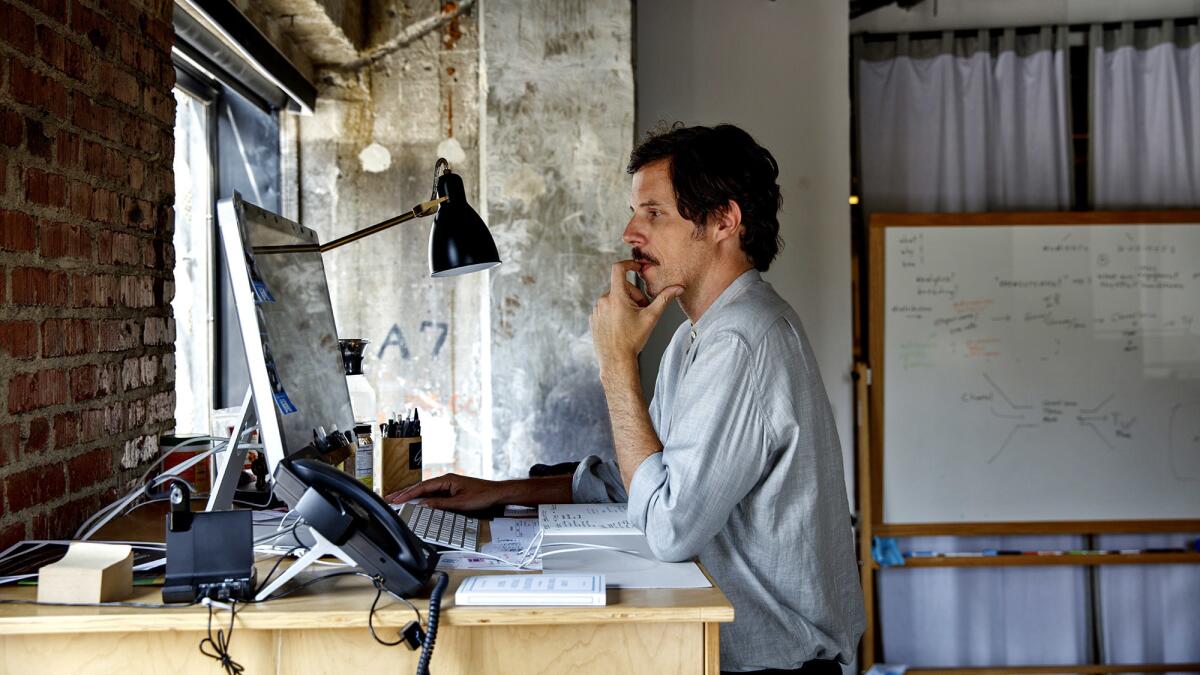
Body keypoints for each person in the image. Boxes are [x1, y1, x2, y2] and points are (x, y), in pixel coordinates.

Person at [388, 123, 865, 673]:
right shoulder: (696, 334)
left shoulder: (741, 340)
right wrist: (499, 492)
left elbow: (666, 527)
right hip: (724, 646)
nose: (630, 232)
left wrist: (617, 363)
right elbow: (643, 481)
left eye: (654, 213)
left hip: (774, 665)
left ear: (723, 222)